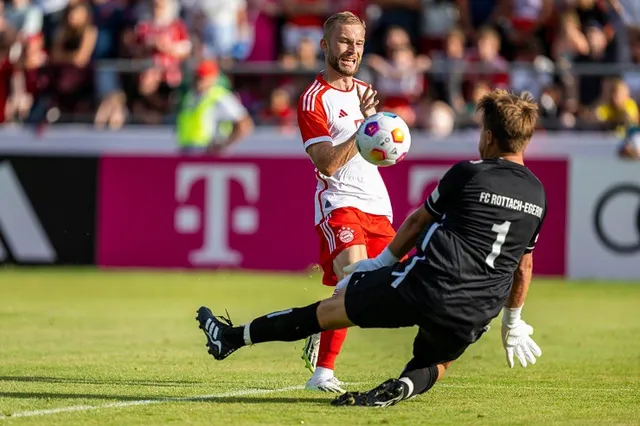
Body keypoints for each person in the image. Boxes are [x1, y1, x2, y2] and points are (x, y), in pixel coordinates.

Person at [195, 88, 546, 407]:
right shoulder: (538, 194)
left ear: (488, 136)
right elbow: (523, 265)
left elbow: (416, 223)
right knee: (438, 360)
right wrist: (512, 321)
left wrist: (380, 262)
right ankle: (404, 386)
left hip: (427, 284)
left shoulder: (469, 173)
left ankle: (232, 337)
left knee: (328, 312)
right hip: (479, 308)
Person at [294, 11, 396, 394]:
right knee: (353, 279)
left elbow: (378, 150)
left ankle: (319, 326)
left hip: (377, 206)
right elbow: (327, 161)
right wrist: (365, 126)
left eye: (358, 43)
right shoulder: (313, 98)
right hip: (339, 202)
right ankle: (322, 374)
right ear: (325, 46)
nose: (351, 50)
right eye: (343, 41)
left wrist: (386, 140)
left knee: (378, 292)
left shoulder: (366, 92)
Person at [176, 59, 254, 154]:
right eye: (198, 77)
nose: (199, 81)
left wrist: (224, 145)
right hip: (187, 150)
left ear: (213, 78)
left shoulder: (221, 97)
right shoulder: (191, 96)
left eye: (203, 77)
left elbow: (245, 124)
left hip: (207, 152)